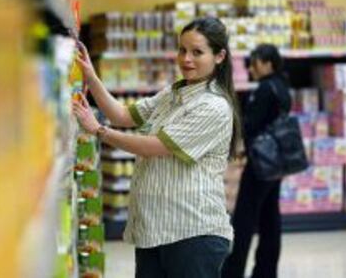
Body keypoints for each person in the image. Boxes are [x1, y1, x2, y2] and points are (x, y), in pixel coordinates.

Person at [72, 17, 241, 278]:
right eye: (182, 50)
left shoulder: (213, 106)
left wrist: (99, 131)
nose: (186, 59)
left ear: (219, 56)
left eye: (197, 52)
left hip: (192, 233)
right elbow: (122, 115)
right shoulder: (173, 94)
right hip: (155, 229)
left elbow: (154, 146)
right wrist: (91, 76)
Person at [222, 44, 292, 278]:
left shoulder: (264, 89)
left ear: (268, 63)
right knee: (270, 218)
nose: (251, 68)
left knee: (244, 219)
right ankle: (266, 271)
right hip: (278, 163)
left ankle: (233, 272)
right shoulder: (283, 87)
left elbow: (250, 125)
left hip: (260, 164)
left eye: (255, 63)